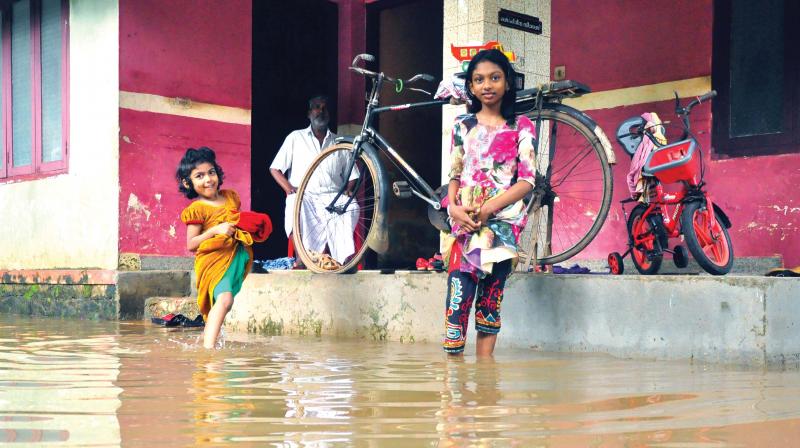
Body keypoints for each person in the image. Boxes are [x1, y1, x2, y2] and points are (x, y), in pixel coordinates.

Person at [442, 49, 537, 357]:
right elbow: (455, 172)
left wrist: (488, 208)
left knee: (490, 304)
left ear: (507, 82)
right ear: (470, 86)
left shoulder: (522, 126)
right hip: (466, 224)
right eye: (479, 79)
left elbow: (527, 181)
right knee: (458, 300)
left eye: (495, 78)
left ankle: (485, 385)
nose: (487, 85)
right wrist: (453, 207)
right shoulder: (462, 125)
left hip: (503, 225)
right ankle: (453, 393)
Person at [177, 147, 268, 349]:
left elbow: (237, 221)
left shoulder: (230, 197)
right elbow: (191, 244)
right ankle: (208, 354)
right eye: (199, 176)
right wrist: (215, 230)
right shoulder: (196, 209)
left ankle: (205, 341)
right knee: (225, 299)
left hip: (234, 256)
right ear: (187, 183)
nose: (208, 179)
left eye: (211, 172)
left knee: (226, 303)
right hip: (213, 264)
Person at [269, 95, 358, 266]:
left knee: (351, 205)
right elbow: (275, 168)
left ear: (329, 114)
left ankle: (337, 260)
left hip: (333, 196)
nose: (321, 111)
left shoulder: (338, 142)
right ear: (309, 113)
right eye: (317, 107)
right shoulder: (295, 138)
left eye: (325, 108)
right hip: (306, 195)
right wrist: (289, 188)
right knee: (295, 202)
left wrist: (348, 190)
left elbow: (352, 175)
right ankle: (304, 258)